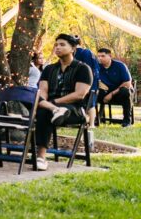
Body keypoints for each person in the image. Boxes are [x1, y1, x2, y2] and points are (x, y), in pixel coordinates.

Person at [35, 34, 93, 170]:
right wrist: (46, 102)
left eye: (62, 45)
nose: (57, 48)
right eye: (56, 45)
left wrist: (54, 102)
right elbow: (42, 90)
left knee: (44, 111)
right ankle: (54, 110)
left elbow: (80, 94)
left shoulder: (83, 69)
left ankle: (41, 157)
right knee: (37, 102)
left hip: (75, 110)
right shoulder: (49, 69)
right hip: (50, 108)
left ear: (73, 48)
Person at [97, 47, 134, 126]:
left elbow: (127, 83)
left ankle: (127, 121)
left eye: (103, 56)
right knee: (93, 92)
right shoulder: (98, 67)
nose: (100, 58)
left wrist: (111, 94)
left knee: (125, 91)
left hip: (121, 92)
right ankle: (95, 119)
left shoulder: (120, 65)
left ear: (110, 56)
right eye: (98, 56)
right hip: (106, 92)